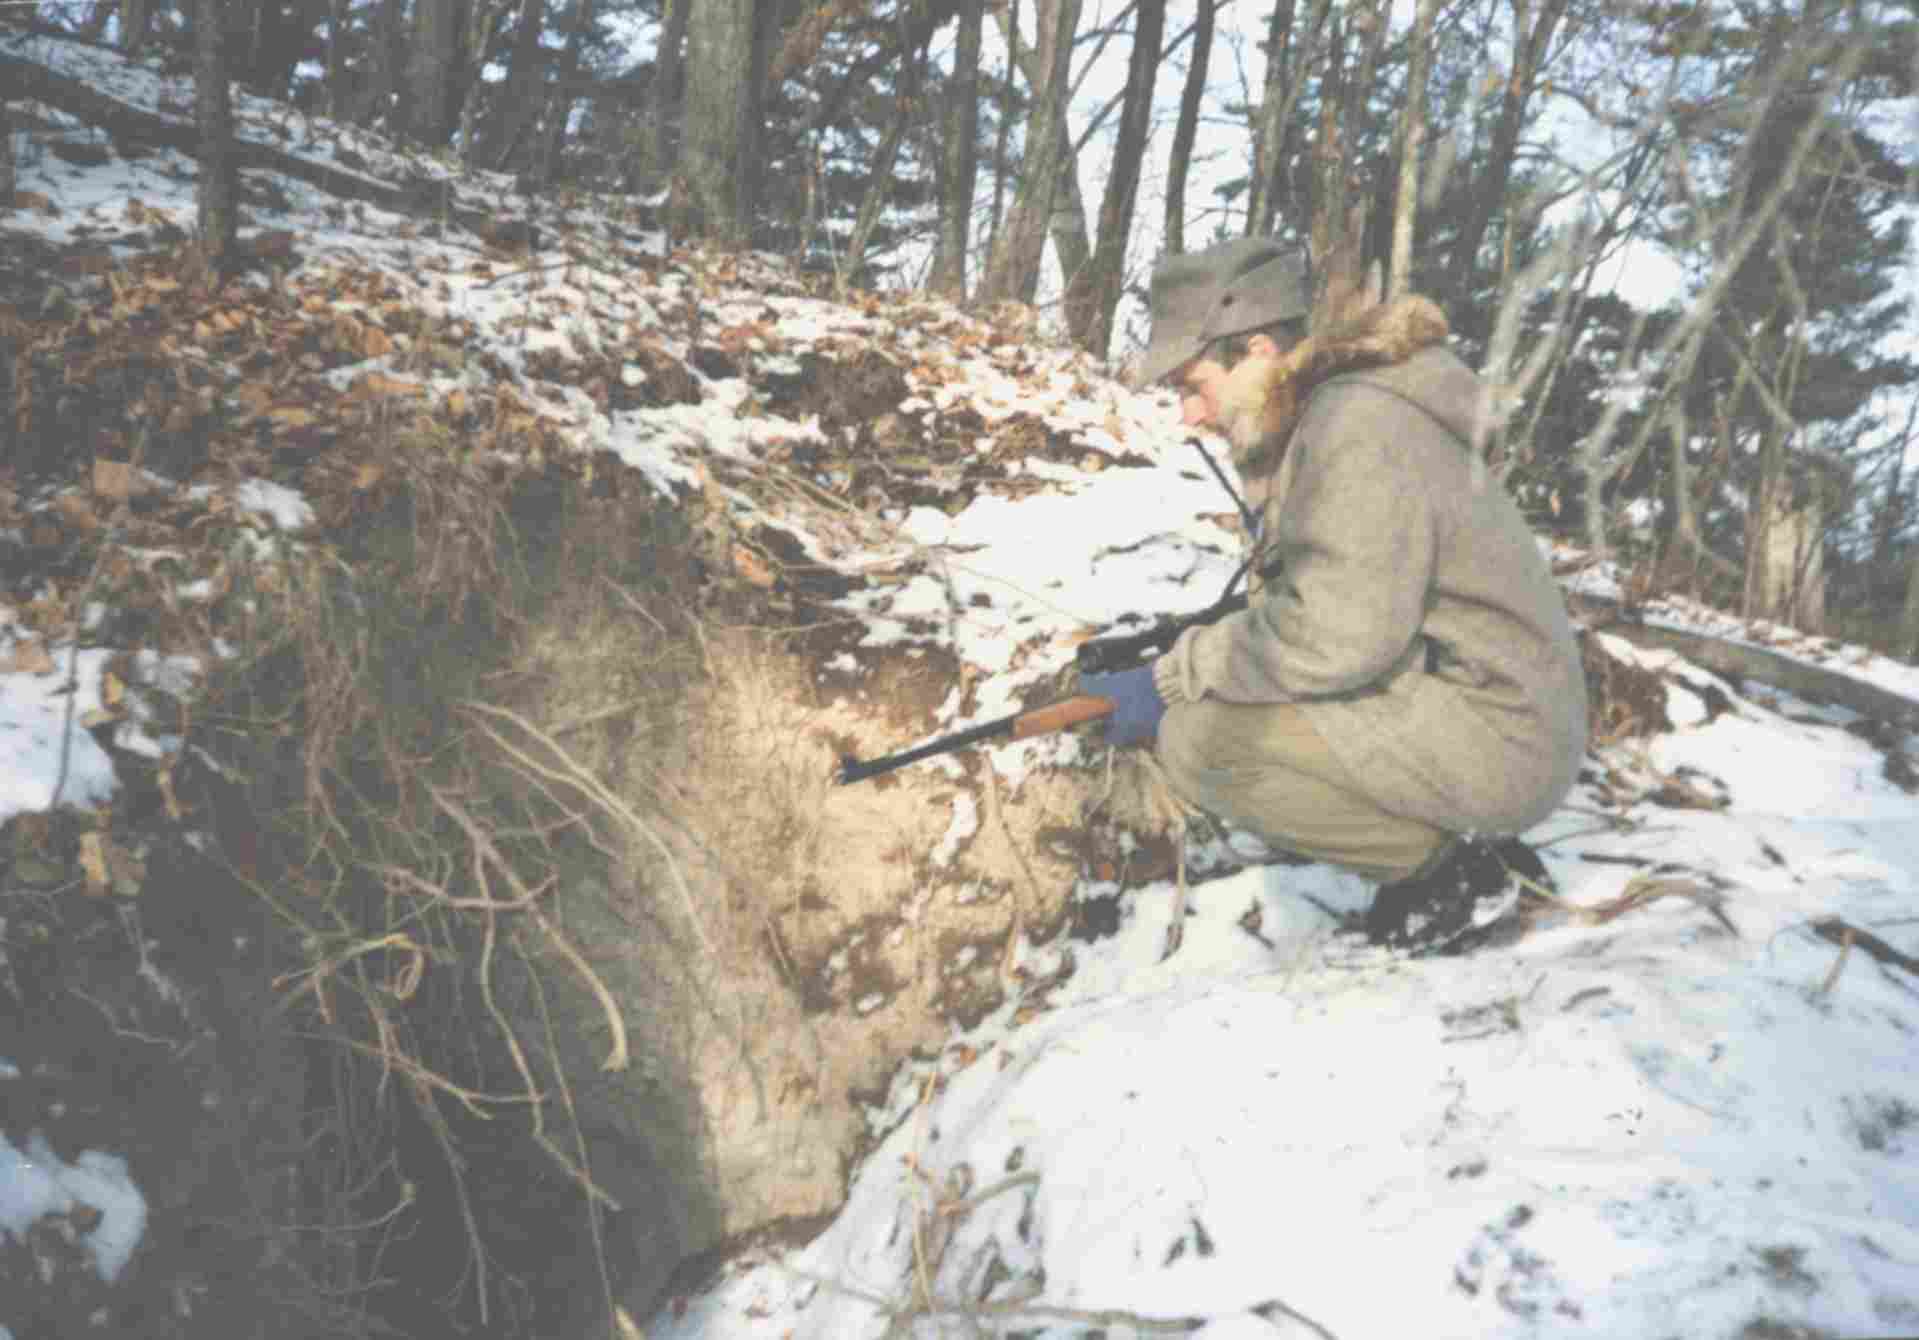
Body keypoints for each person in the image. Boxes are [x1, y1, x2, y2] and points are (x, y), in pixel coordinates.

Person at [1078, 236, 1589, 954]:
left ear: (1255, 349)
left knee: (1203, 741)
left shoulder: (1356, 427)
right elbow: (1329, 595)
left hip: (1503, 735)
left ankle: (1453, 876)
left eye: (1193, 386)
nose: (1189, 416)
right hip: (1485, 707)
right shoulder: (1334, 417)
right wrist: (1183, 641)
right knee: (1222, 698)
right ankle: (1443, 841)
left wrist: (1171, 675)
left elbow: (1335, 638)